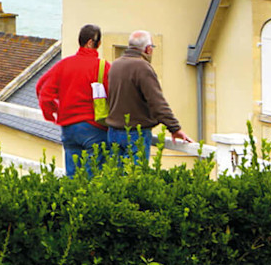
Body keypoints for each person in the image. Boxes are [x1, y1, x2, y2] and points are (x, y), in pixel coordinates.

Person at [35, 23, 110, 176]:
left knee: (72, 177)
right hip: (93, 127)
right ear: (94, 43)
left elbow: (42, 89)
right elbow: (114, 95)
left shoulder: (64, 65)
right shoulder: (103, 67)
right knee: (93, 178)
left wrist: (53, 112)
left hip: (68, 127)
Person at [106, 30, 185, 165]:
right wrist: (175, 128)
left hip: (113, 131)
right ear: (148, 49)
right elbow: (157, 103)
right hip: (136, 132)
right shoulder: (142, 67)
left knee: (115, 179)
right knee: (134, 179)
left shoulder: (115, 65)